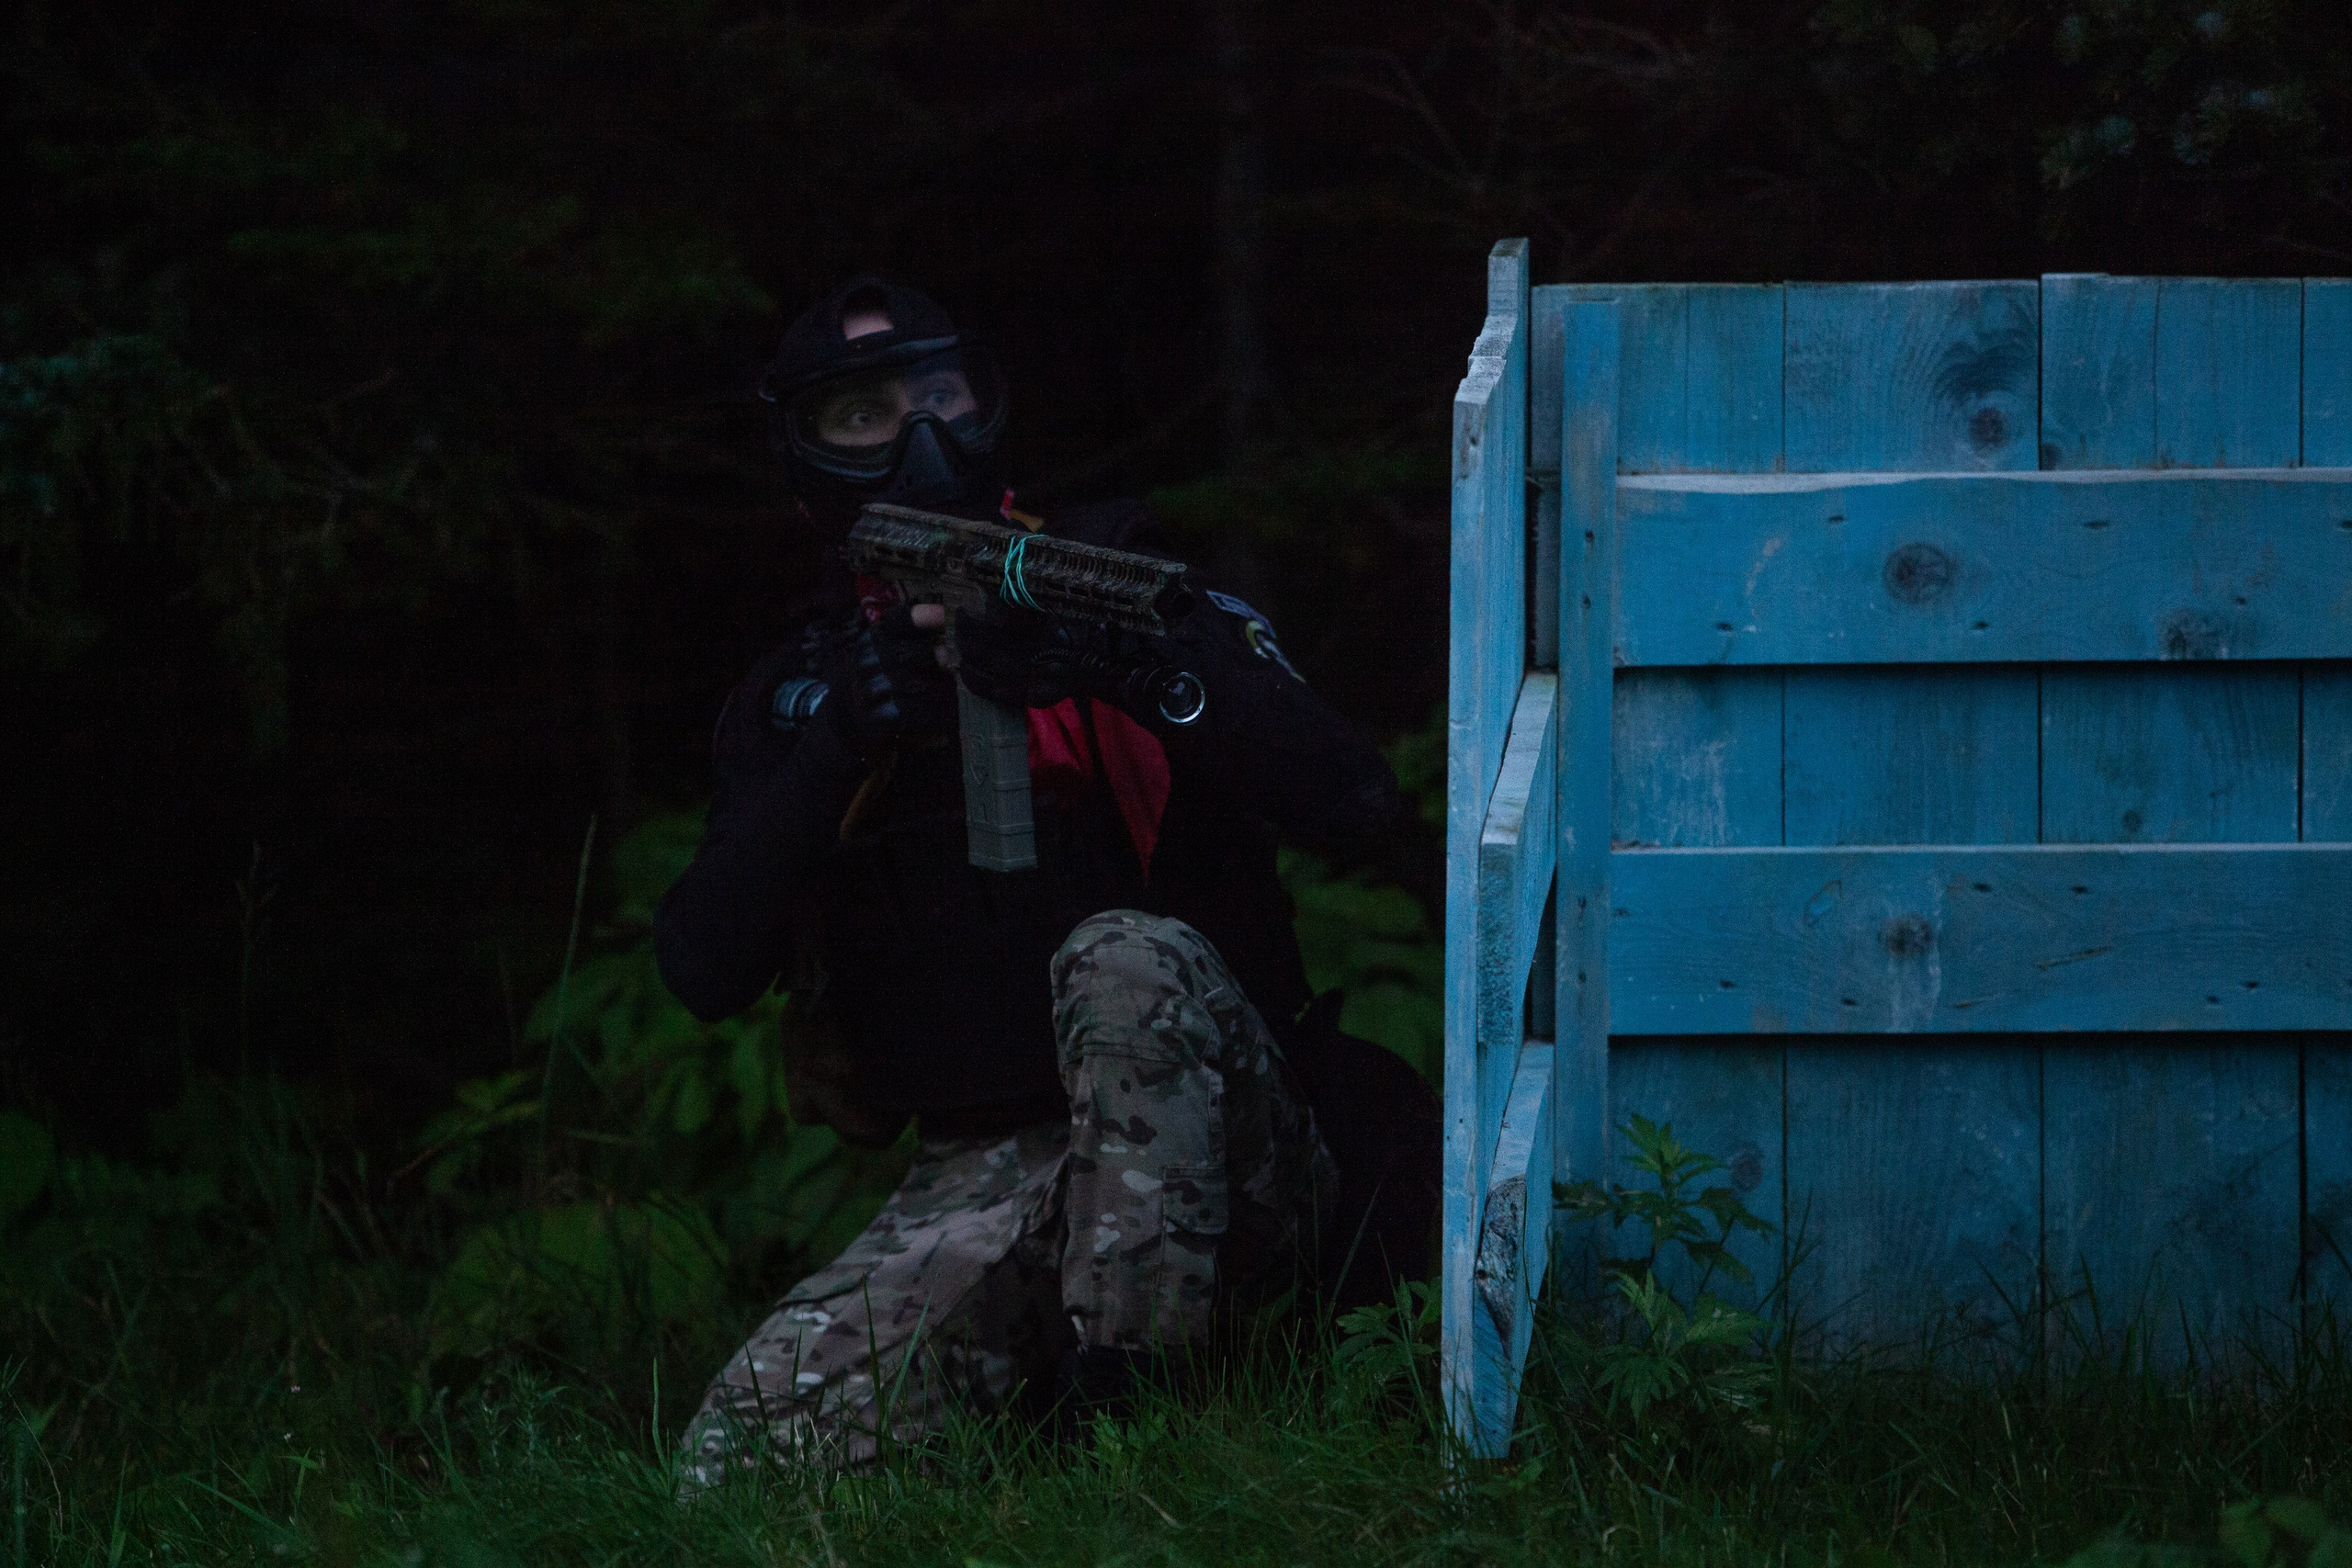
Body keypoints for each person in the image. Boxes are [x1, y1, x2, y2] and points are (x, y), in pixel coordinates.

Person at [656, 274, 1415, 1483]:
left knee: (1124, 953)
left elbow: (1357, 802)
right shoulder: (811, 689)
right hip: (997, 1167)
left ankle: (1129, 1434)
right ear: (808, 452)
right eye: (866, 415)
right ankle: (1051, 1374)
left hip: (1236, 1140)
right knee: (734, 1466)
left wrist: (1117, 665)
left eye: (942, 396)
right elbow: (702, 966)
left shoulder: (1119, 583)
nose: (920, 442)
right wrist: (845, 741)